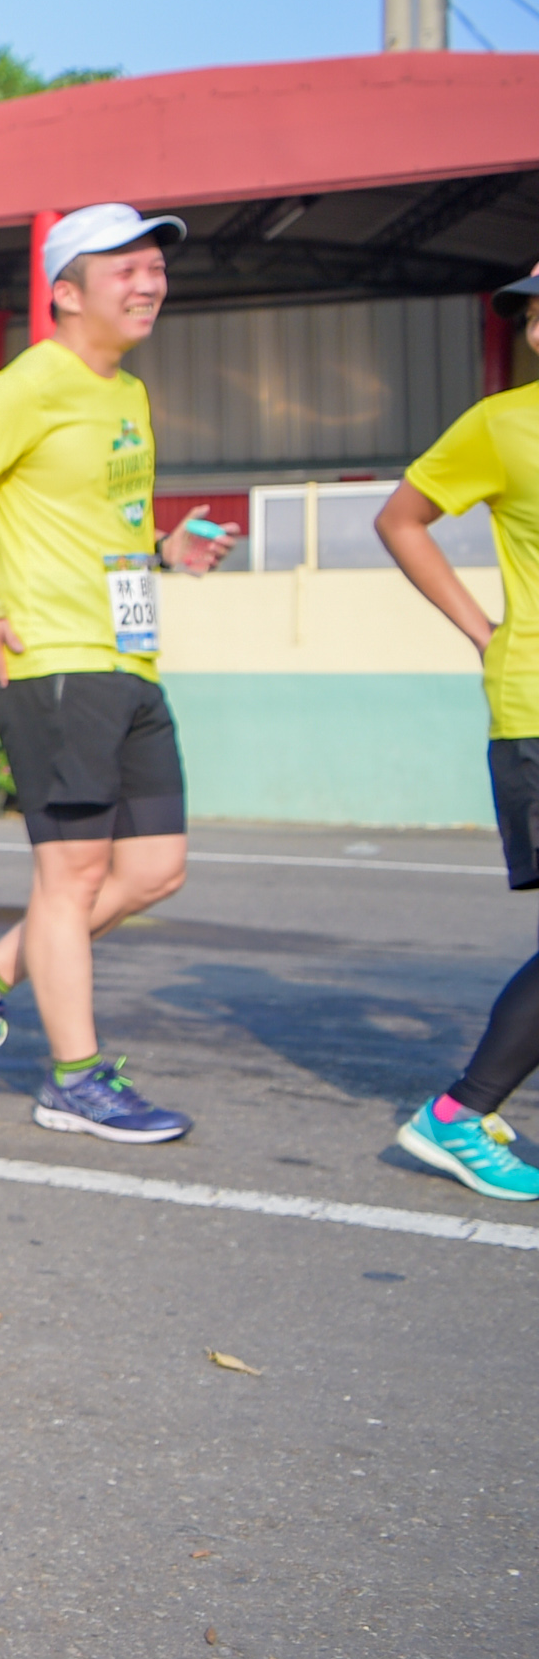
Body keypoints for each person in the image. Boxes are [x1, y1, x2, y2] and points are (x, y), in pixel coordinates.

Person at [0, 206, 232, 1142]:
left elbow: (95, 528)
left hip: (127, 655)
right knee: (73, 876)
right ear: (65, 292)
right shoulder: (30, 383)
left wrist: (165, 550)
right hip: (51, 660)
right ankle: (74, 1079)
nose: (148, 280)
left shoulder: (126, 393)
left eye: (155, 264)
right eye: (122, 266)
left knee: (156, 870)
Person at [376, 265, 539, 1200]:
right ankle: (458, 1114)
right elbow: (402, 520)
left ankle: (475, 1108)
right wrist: (482, 628)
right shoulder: (502, 424)